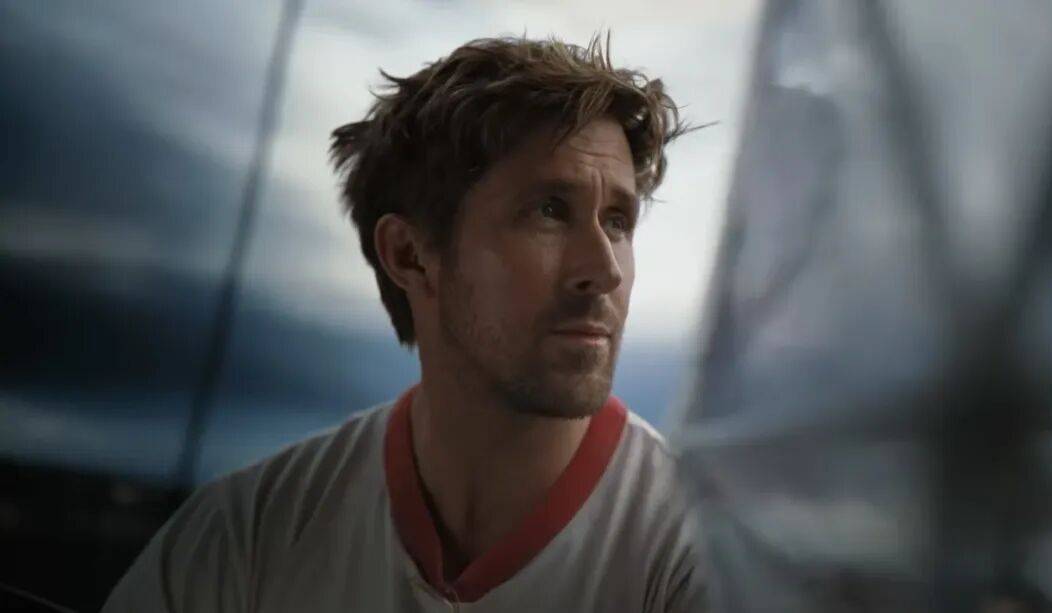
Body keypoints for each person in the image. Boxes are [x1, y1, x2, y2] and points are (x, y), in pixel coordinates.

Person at [103, 34, 712, 612]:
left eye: (617, 221)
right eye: (550, 211)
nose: (604, 270)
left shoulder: (706, 558)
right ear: (410, 256)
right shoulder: (242, 537)